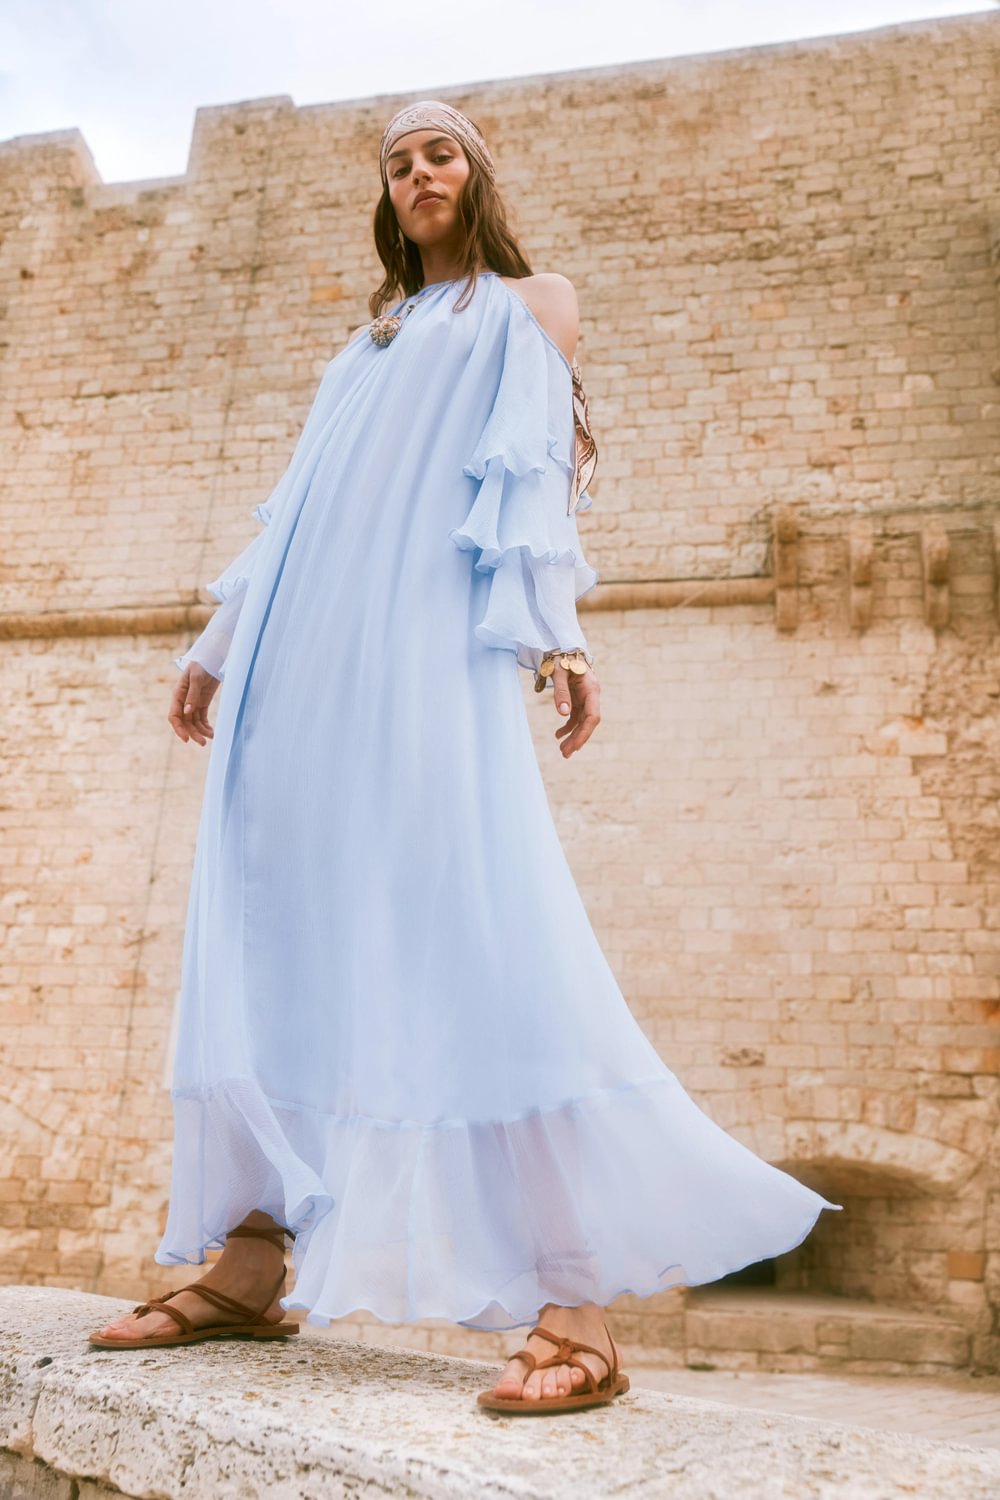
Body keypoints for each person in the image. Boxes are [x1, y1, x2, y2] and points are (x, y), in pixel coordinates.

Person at [89, 100, 842, 1414]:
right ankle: (254, 1261)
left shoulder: (529, 307)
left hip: (423, 660)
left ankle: (577, 1301)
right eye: (398, 162)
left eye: (439, 153)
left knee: (480, 930)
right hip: (293, 673)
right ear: (386, 196)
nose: (419, 171)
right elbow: (298, 509)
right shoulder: (366, 342)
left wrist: (560, 638)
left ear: (476, 177)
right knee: (273, 935)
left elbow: (530, 477)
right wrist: (218, 642)